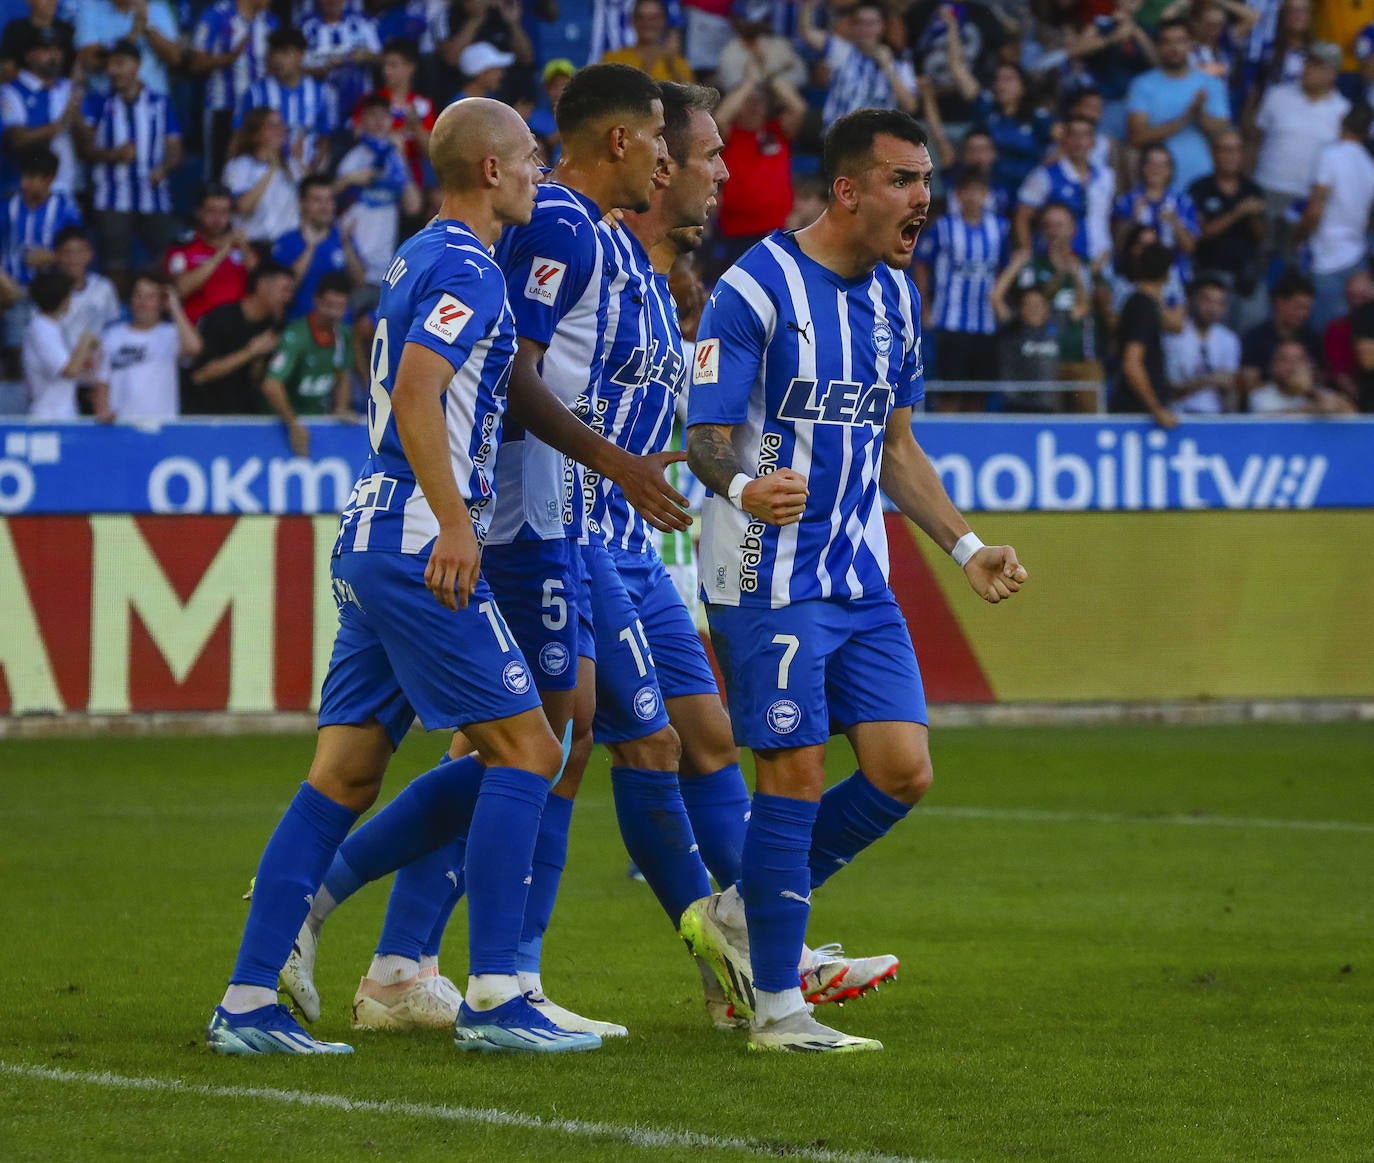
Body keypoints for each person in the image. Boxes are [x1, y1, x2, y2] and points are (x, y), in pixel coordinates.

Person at [272, 66, 694, 1037]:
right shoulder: (539, 231)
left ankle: (397, 955)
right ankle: (490, 977)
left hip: (547, 519)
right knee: (538, 741)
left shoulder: (581, 240)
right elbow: (497, 381)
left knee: (543, 738)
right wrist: (597, 467)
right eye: (674, 139)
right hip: (513, 521)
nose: (681, 159)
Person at [204, 97, 602, 1057]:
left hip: (372, 531)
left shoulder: (415, 256)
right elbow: (420, 388)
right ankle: (501, 995)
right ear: (492, 170)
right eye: (531, 157)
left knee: (343, 773)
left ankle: (248, 1003)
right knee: (529, 751)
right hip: (422, 537)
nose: (540, 170)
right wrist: (460, 523)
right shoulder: (471, 266)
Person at [681, 108, 1028, 1053]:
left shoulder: (894, 300)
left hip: (855, 573)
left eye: (926, 179)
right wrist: (748, 485)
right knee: (793, 770)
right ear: (846, 190)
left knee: (902, 768)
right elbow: (703, 432)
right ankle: (778, 1008)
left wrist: (966, 547)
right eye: (904, 181)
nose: (924, 198)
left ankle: (745, 915)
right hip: (765, 572)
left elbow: (896, 448)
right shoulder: (754, 286)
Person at [82, 37, 181, 289]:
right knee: (115, 266)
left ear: (136, 66)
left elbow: (175, 148)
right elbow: (86, 148)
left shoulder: (161, 103)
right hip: (111, 196)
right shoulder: (97, 102)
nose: (112, 70)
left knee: (166, 261)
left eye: (119, 63)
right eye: (110, 65)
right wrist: (114, 155)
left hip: (154, 194)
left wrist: (164, 168)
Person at [912, 166, 1007, 406]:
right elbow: (922, 264)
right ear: (959, 195)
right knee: (951, 391)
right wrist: (926, 308)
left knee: (979, 392)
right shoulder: (943, 227)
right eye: (967, 192)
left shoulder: (1000, 229)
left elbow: (1004, 268)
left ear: (986, 195)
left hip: (986, 322)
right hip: (950, 321)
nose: (973, 197)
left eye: (979, 192)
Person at [710, 53, 807, 277]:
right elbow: (721, 118)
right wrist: (750, 81)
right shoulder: (727, 135)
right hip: (735, 233)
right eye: (748, 101)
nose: (754, 107)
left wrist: (770, 76)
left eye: (760, 101)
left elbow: (798, 108)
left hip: (778, 232)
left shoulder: (777, 132)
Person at [1249, 41, 1349, 257]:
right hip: (1266, 189)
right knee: (1255, 257)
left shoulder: (1343, 111)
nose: (1308, 69)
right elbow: (1254, 141)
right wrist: (1247, 187)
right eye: (1308, 62)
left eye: (1316, 65)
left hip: (1306, 199)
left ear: (1332, 73)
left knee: (1291, 264)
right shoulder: (1276, 95)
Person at [1125, 17, 1231, 192]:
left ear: (1191, 44)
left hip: (1201, 180)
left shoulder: (1211, 84)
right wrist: (1184, 119)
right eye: (1167, 42)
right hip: (1155, 184)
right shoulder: (1142, 84)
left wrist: (1200, 114)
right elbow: (1137, 137)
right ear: (1158, 47)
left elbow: (1223, 136)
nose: (1174, 48)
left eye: (1180, 41)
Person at [1295, 105, 1374, 335]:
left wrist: (1297, 238)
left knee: (1325, 334)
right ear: (1367, 133)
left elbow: (1314, 211)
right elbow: (1370, 219)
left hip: (1326, 257)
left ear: (1341, 120)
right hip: (1356, 257)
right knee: (1346, 334)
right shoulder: (1370, 166)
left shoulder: (1330, 155)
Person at [335, 93, 421, 289]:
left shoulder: (396, 160)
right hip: (352, 257)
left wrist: (400, 157)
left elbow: (413, 206)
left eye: (384, 116)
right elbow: (329, 196)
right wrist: (349, 179)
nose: (378, 122)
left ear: (391, 121)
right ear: (362, 120)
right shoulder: (351, 156)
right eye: (372, 115)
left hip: (384, 264)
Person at [260, 271, 353, 454]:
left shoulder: (344, 335)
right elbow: (271, 385)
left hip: (318, 423)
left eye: (340, 307)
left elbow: (343, 375)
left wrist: (341, 408)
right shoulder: (296, 336)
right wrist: (293, 425)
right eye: (329, 305)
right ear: (316, 300)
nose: (333, 313)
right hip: (278, 425)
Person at [1186, 126, 1266, 334]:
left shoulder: (1252, 189)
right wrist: (1237, 213)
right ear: (1214, 153)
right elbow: (1200, 232)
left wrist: (1254, 215)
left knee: (1250, 334)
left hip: (1246, 277)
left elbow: (1261, 236)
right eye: (1226, 150)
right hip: (1211, 274)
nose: (1232, 156)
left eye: (1237, 150)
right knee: (1214, 333)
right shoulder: (1200, 188)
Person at [187, 261, 294, 414]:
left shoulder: (276, 326)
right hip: (207, 415)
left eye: (291, 292)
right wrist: (250, 352)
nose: (288, 298)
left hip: (246, 415)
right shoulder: (221, 318)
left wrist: (259, 358)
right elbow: (200, 375)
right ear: (262, 286)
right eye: (284, 290)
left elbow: (256, 383)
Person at [95, 271, 201, 422]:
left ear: (161, 301)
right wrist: (104, 413)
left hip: (162, 425)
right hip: (120, 426)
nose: (142, 302)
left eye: (150, 297)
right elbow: (102, 381)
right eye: (138, 295)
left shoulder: (171, 334)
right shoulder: (112, 335)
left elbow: (194, 348)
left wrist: (174, 307)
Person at [189, 0, 277, 179]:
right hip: (223, 106)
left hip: (259, 111)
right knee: (218, 168)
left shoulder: (270, 21)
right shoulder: (216, 15)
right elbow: (196, 63)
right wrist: (230, 57)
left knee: (258, 169)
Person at [800, 0, 918, 128]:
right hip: (840, 137)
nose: (865, 29)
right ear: (853, 26)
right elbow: (807, 32)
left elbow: (910, 106)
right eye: (859, 23)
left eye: (871, 23)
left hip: (878, 137)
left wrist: (887, 66)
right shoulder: (842, 51)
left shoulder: (899, 59)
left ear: (882, 26)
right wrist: (808, 5)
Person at [235, 28, 337, 175]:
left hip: (305, 172)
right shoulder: (255, 93)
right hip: (262, 172)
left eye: (285, 52)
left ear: (301, 55)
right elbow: (239, 137)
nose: (277, 59)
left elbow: (324, 139)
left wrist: (314, 173)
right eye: (274, 53)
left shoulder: (322, 93)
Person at [1015, 114, 1114, 263]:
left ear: (1093, 142)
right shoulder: (1044, 175)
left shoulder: (1107, 176)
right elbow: (1022, 217)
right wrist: (1029, 257)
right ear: (1064, 140)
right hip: (1058, 262)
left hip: (1100, 260)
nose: (1079, 142)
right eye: (1074, 135)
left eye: (1085, 136)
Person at [0, 25, 81, 194]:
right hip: (24, 193)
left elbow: (88, 143)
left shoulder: (69, 88)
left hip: (66, 190)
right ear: (29, 54)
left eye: (58, 49)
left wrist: (78, 120)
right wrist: (60, 125)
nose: (54, 55)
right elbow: (16, 140)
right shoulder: (12, 91)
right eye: (46, 49)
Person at [271, 176, 365, 320]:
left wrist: (346, 246)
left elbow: (360, 281)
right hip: (299, 328)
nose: (325, 206)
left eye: (329, 200)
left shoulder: (343, 238)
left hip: (340, 328)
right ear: (302, 204)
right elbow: (286, 289)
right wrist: (311, 247)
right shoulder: (286, 242)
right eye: (317, 200)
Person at [165, 184, 256, 325]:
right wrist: (222, 252)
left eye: (224, 212)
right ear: (199, 212)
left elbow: (260, 281)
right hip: (197, 327)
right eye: (211, 211)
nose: (218, 219)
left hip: (237, 328)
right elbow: (181, 290)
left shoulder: (241, 247)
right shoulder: (182, 247)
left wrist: (244, 248)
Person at [1110, 240, 1177, 426]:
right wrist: (1156, 409)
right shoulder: (1143, 307)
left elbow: (1175, 325)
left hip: (1136, 409)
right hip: (1136, 413)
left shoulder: (1140, 304)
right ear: (1167, 274)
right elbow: (1132, 363)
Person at [24, 267, 105, 421]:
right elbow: (70, 370)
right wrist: (85, 340)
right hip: (49, 417)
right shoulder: (41, 328)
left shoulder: (54, 326)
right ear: (63, 298)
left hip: (64, 413)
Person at [1111, 143, 1198, 275]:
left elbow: (1190, 248)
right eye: (1150, 163)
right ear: (1142, 167)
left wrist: (1175, 223)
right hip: (1134, 275)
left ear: (1170, 170)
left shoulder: (1182, 203)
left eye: (1162, 165)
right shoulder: (1126, 201)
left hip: (1174, 276)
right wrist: (1133, 219)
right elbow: (1119, 246)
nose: (1156, 169)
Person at [224, 107, 305, 248]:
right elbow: (243, 207)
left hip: (288, 244)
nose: (279, 130)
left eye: (281, 125)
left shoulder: (293, 166)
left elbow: (314, 197)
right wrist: (271, 170)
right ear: (255, 134)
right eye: (272, 125)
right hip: (253, 243)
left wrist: (299, 162)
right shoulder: (238, 166)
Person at [361, 37, 434, 188]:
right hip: (377, 169)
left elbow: (429, 152)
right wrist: (404, 130)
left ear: (411, 67)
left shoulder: (423, 105)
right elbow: (361, 135)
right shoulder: (371, 101)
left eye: (393, 65)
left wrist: (416, 125)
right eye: (384, 66)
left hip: (415, 173)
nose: (386, 71)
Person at [1238, 269, 1322, 398]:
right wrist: (1283, 381)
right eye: (1299, 307)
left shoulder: (1312, 338)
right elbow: (1247, 384)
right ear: (1279, 303)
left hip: (1307, 404)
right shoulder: (1254, 339)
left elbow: (1321, 378)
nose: (1304, 314)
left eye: (1308, 309)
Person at [1163, 274, 1240, 413]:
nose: (1212, 308)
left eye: (1219, 303)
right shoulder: (1175, 334)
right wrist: (1211, 379)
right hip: (1179, 415)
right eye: (1207, 301)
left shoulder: (1229, 339)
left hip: (1214, 417)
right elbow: (1172, 389)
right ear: (1192, 300)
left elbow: (1228, 385)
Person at [73, 0, 181, 97]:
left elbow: (175, 58)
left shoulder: (157, 10)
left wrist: (147, 28)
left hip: (153, 103)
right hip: (106, 104)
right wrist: (132, 36)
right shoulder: (91, 10)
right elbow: (89, 60)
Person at [301, 0, 381, 122]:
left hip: (360, 101)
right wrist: (321, 69)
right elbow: (297, 66)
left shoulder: (362, 22)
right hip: (321, 103)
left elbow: (382, 57)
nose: (333, 2)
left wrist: (365, 56)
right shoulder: (305, 27)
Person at [994, 283, 1061, 413]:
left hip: (1047, 407)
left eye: (1038, 305)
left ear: (1047, 310)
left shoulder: (1055, 328)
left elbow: (1082, 305)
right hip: (1016, 406)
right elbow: (996, 298)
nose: (1034, 309)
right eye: (1029, 305)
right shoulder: (1011, 330)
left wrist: (1069, 272)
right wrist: (1019, 263)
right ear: (1021, 309)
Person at [54, 227, 120, 356]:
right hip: (59, 364)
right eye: (67, 252)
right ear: (57, 255)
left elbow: (113, 328)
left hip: (96, 362)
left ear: (90, 254)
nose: (73, 259)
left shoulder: (104, 287)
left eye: (79, 252)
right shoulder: (48, 289)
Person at [1247, 339, 1355, 414]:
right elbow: (1271, 423)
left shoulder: (1321, 394)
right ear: (1273, 366)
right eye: (1285, 360)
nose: (1292, 366)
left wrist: (1309, 391)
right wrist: (1312, 410)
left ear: (1309, 366)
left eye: (1299, 360)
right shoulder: (1260, 396)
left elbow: (1351, 414)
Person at [600, 0, 693, 82]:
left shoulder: (676, 62)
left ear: (663, 21)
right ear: (633, 20)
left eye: (654, 18)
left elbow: (688, 97)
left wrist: (671, 65)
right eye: (641, 17)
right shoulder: (613, 60)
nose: (647, 23)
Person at [1323, 268, 1374, 407]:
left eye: (1363, 296)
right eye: (1353, 296)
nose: (1358, 302)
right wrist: (1357, 399)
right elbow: (1367, 359)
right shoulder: (1339, 328)